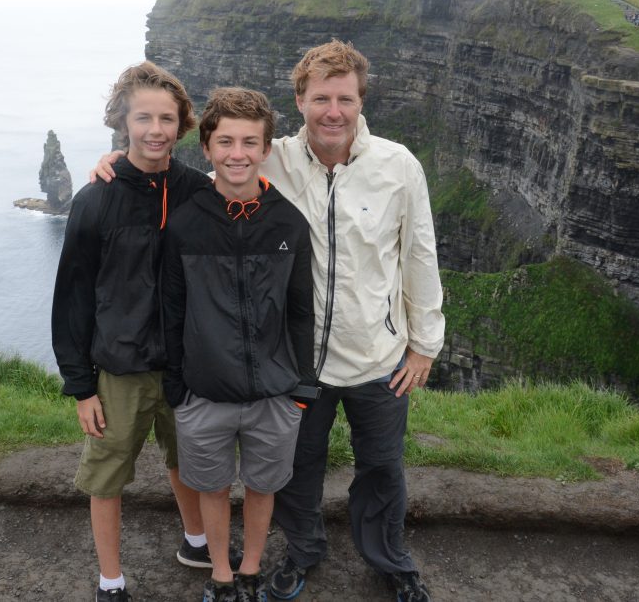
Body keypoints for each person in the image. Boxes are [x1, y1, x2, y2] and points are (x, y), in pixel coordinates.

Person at [92, 40, 445, 602]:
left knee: (382, 467)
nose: (334, 111)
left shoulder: (398, 167)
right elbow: (212, 166)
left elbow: (419, 254)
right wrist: (119, 164)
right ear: (300, 100)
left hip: (377, 355)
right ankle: (303, 553)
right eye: (321, 98)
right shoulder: (272, 155)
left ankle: (391, 560)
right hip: (296, 360)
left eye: (345, 99)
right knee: (294, 473)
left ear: (360, 102)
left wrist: (425, 344)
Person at [52, 61, 226, 602]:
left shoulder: (199, 191)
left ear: (183, 126)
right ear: (122, 123)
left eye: (167, 119)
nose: (156, 129)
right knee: (106, 476)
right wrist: (81, 386)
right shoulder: (95, 198)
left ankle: (197, 541)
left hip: (186, 364)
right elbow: (73, 297)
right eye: (143, 117)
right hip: (120, 369)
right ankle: (111, 580)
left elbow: (254, 164)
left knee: (190, 461)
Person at [159, 87, 315, 602]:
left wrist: (301, 387)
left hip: (275, 391)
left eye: (250, 141)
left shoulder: (288, 221)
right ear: (206, 148)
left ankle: (250, 571)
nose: (237, 153)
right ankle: (221, 575)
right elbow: (172, 310)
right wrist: (179, 387)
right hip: (204, 392)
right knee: (211, 487)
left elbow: (300, 310)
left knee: (262, 487)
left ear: (267, 148)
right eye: (225, 141)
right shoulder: (184, 224)